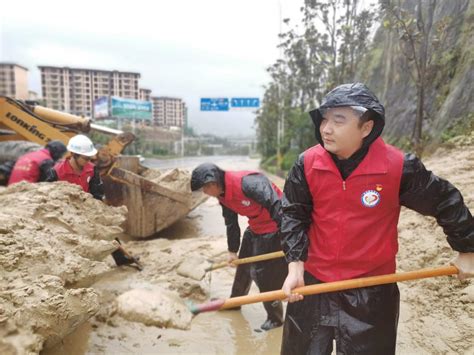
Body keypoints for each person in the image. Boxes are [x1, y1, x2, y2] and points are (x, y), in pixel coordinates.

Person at [280, 83, 474, 354]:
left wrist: (467, 249)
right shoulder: (307, 163)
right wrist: (295, 267)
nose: (326, 128)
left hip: (370, 288)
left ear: (366, 127)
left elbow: (445, 200)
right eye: (324, 119)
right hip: (313, 283)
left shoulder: (398, 167)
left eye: (339, 120)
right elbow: (293, 213)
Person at [191, 163, 288, 331]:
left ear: (212, 183)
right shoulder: (222, 195)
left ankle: (275, 318)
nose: (204, 193)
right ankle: (235, 302)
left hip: (275, 228)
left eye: (204, 189)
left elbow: (277, 204)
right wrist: (232, 251)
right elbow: (231, 223)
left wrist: (287, 237)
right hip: (256, 227)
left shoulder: (248, 182)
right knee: (243, 267)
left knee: (263, 275)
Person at [46, 134, 138, 268]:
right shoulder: (56, 172)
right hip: (64, 213)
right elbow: (47, 196)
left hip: (86, 208)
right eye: (85, 158)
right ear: (73, 154)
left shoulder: (91, 169)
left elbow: (97, 193)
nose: (88, 160)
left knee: (106, 231)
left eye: (90, 157)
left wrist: (98, 212)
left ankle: (121, 257)